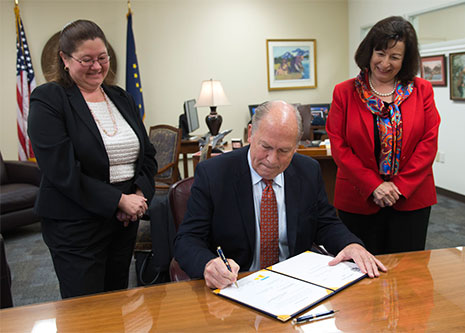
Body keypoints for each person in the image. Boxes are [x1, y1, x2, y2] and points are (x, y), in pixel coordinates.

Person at [174, 101, 386, 289]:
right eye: (265, 147)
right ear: (250, 134)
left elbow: (325, 223)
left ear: (296, 147)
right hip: (238, 284)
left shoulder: (308, 171)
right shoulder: (214, 174)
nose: (272, 160)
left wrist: (351, 245)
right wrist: (208, 264)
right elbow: (187, 239)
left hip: (294, 284)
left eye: (284, 151)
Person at [28, 20, 157, 298]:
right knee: (84, 312)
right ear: (64, 58)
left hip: (123, 221)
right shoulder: (49, 99)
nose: (97, 67)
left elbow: (147, 156)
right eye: (86, 59)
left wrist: (136, 195)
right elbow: (62, 171)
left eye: (102, 58)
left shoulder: (120, 97)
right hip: (75, 225)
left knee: (116, 302)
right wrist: (119, 201)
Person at [326, 16, 440, 255]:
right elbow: (339, 145)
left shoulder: (422, 91)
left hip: (411, 198)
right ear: (369, 52)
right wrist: (374, 185)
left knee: (409, 275)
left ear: (405, 60)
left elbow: (428, 143)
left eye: (395, 57)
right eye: (380, 53)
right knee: (358, 273)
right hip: (359, 198)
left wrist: (397, 187)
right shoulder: (344, 92)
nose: (385, 63)